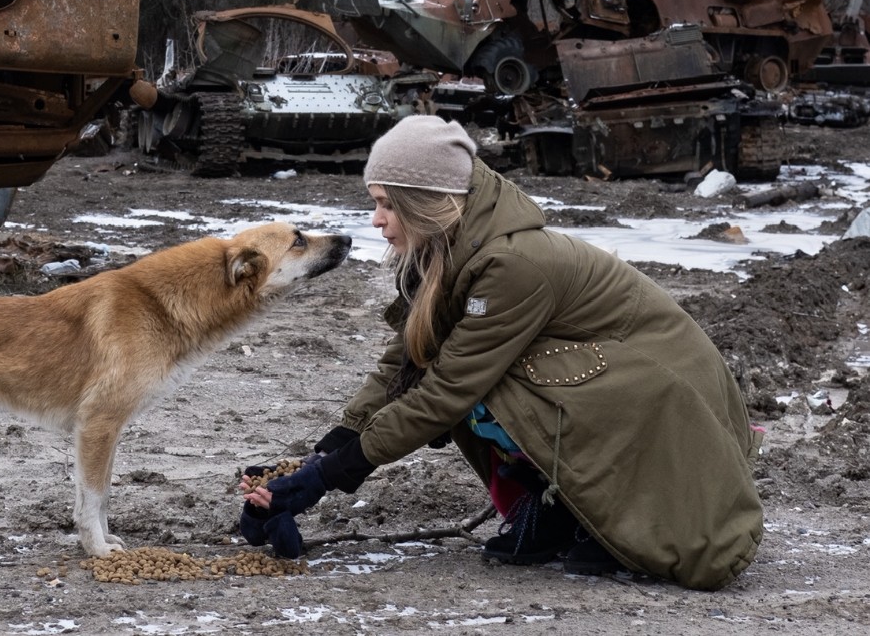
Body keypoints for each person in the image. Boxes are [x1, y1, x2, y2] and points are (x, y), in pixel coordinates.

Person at [240, 114, 764, 591]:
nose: (376, 220)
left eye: (386, 204)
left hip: (659, 392)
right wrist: (329, 449)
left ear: (425, 202)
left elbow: (448, 388)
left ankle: (600, 520)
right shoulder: (445, 250)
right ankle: (557, 512)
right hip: (603, 379)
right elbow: (405, 363)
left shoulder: (512, 263)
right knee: (480, 383)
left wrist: (328, 478)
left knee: (493, 389)